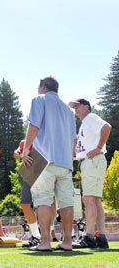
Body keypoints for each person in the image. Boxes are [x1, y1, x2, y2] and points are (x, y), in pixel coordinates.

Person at [21, 76, 77, 251]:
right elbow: (74, 140)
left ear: (43, 86)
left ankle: (45, 242)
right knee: (66, 203)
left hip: (44, 159)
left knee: (43, 201)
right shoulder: (69, 111)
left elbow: (34, 126)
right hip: (65, 162)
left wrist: (26, 150)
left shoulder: (39, 100)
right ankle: (67, 242)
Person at [69, 98, 111, 249]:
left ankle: (89, 237)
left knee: (88, 199)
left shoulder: (91, 118)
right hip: (93, 162)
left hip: (92, 161)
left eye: (77, 106)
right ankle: (101, 237)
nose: (75, 109)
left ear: (87, 107)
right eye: (74, 107)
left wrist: (99, 147)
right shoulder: (85, 123)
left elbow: (107, 127)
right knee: (96, 201)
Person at [13, 140, 41, 247]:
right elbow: (20, 147)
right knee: (25, 204)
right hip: (29, 170)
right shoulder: (25, 140)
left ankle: (48, 236)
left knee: (48, 203)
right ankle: (36, 236)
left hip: (46, 168)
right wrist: (17, 151)